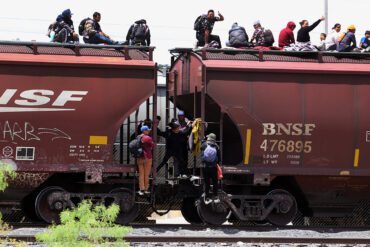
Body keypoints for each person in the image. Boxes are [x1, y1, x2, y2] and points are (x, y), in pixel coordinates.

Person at [201, 133, 220, 204]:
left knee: (207, 182)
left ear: (209, 138)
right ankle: (215, 196)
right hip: (214, 167)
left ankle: (207, 198)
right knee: (215, 182)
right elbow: (219, 157)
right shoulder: (217, 146)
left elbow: (201, 154)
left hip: (205, 167)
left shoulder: (204, 145)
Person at [136, 126, 154, 196]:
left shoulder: (138, 137)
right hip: (147, 158)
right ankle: (146, 189)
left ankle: (141, 189)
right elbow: (153, 145)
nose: (149, 131)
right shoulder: (148, 138)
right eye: (147, 130)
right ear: (144, 131)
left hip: (139, 158)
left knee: (141, 174)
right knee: (146, 174)